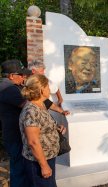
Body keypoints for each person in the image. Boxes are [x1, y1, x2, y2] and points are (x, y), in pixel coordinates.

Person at [19, 74, 66, 187]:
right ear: (41, 89)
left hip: (47, 157)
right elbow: (33, 142)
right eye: (48, 87)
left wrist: (55, 128)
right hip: (38, 162)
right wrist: (44, 166)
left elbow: (41, 126)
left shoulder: (40, 105)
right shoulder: (31, 111)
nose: (50, 89)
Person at [0, 59, 32, 187]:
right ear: (12, 76)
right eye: (21, 75)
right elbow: (29, 106)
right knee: (18, 167)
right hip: (15, 135)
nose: (24, 77)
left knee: (17, 165)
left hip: (12, 133)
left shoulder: (10, 86)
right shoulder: (9, 89)